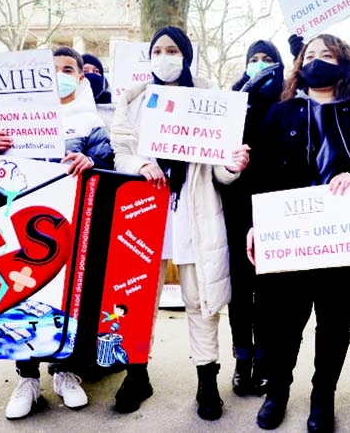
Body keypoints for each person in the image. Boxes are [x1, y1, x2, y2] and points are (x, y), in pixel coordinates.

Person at [247, 34, 350, 433]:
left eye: (326, 55)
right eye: (309, 55)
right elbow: (259, 175)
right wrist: (255, 224)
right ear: (299, 65)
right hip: (289, 239)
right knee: (283, 321)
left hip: (341, 240)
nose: (316, 61)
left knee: (333, 323)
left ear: (344, 62)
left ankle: (322, 397)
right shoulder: (280, 113)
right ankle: (277, 391)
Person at [110, 25, 250, 420]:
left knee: (200, 300)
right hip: (146, 212)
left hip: (194, 212)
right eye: (158, 50)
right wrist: (141, 164)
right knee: (137, 301)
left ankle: (207, 382)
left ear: (186, 56)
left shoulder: (210, 102)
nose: (165, 57)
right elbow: (120, 152)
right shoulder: (134, 100)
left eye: (173, 50)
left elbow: (220, 172)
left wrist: (231, 166)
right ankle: (137, 374)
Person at [0, 46, 114, 419]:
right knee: (25, 294)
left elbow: (109, 167)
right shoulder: (16, 119)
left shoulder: (91, 122)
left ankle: (65, 372)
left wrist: (92, 162)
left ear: (80, 76)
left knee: (70, 298)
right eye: (53, 68)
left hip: (76, 225)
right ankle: (26, 378)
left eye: (68, 68)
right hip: (25, 225)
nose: (60, 73)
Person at [221, 40, 284, 397]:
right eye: (254, 59)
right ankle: (242, 360)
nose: (260, 65)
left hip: (273, 203)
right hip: (236, 204)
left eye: (267, 60)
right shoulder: (233, 100)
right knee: (241, 289)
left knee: (270, 290)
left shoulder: (287, 101)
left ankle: (265, 360)